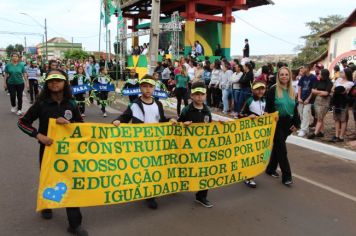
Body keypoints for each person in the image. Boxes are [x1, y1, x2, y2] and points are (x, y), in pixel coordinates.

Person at [17, 69, 88, 236]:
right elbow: (22, 123)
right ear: (47, 84)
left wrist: (69, 124)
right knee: (48, 179)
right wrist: (38, 135)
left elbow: (81, 126)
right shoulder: (41, 104)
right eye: (50, 81)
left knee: (70, 183)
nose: (54, 83)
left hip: (69, 153)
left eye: (58, 80)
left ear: (65, 83)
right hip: (48, 151)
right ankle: (47, 205)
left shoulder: (71, 104)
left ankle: (74, 224)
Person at [112, 74, 177, 209]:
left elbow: (161, 119)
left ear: (154, 88)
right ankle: (148, 195)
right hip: (141, 144)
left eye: (150, 87)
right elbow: (124, 117)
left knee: (154, 168)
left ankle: (151, 192)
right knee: (144, 169)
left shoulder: (158, 104)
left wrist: (170, 120)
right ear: (140, 88)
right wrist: (116, 121)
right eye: (145, 86)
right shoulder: (134, 104)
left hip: (156, 143)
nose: (148, 89)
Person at [178, 81, 213, 207]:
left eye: (202, 94)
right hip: (188, 149)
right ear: (191, 96)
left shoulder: (207, 111)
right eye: (196, 94)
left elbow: (210, 128)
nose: (199, 97)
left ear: (205, 95)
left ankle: (202, 196)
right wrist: (183, 125)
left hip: (203, 149)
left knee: (205, 172)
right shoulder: (186, 110)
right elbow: (177, 127)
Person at [265, 67, 300, 186]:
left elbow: (294, 108)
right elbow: (268, 107)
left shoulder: (292, 90)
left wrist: (296, 124)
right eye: (281, 75)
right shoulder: (273, 89)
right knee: (282, 149)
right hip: (276, 123)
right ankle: (287, 176)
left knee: (278, 147)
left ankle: (270, 169)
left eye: (286, 74)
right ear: (278, 76)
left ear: (290, 76)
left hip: (288, 123)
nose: (284, 76)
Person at [240, 81, 267, 188]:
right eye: (257, 89)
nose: (260, 91)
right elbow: (240, 114)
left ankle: (258, 169)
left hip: (262, 132)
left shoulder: (265, 100)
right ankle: (249, 177)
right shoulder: (250, 100)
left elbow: (267, 112)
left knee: (262, 152)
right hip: (251, 132)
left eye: (262, 88)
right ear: (252, 90)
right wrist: (248, 116)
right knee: (251, 154)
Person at [330, 68, 354, 142]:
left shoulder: (350, 83)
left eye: (342, 72)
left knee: (343, 120)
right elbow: (333, 89)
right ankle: (336, 135)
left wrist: (336, 90)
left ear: (346, 74)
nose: (341, 73)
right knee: (336, 119)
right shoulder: (338, 80)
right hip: (336, 101)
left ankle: (341, 137)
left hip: (343, 103)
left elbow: (342, 91)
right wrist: (337, 90)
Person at [307, 69, 333, 139]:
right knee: (319, 117)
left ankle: (315, 133)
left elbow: (326, 93)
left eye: (320, 74)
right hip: (317, 101)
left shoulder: (329, 83)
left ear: (324, 75)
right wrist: (321, 92)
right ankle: (321, 132)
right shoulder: (318, 81)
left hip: (325, 102)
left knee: (320, 118)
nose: (319, 75)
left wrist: (317, 92)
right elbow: (312, 90)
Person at [297, 64, 317, 137]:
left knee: (306, 113)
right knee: (301, 113)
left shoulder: (313, 78)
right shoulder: (303, 77)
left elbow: (313, 90)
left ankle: (303, 130)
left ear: (308, 68)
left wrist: (308, 99)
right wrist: (299, 97)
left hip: (309, 99)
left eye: (303, 68)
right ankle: (305, 128)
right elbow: (299, 87)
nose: (302, 69)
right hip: (301, 98)